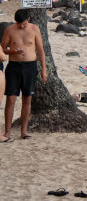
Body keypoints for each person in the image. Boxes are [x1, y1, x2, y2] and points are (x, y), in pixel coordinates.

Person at [2, 9, 47, 141]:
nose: (22, 26)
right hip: (14, 67)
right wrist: (13, 51)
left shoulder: (34, 29)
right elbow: (2, 48)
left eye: (24, 23)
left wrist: (44, 70)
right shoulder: (10, 30)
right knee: (11, 99)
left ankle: (24, 131)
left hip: (30, 67)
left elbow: (40, 50)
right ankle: (7, 132)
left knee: (27, 99)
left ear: (28, 20)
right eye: (19, 24)